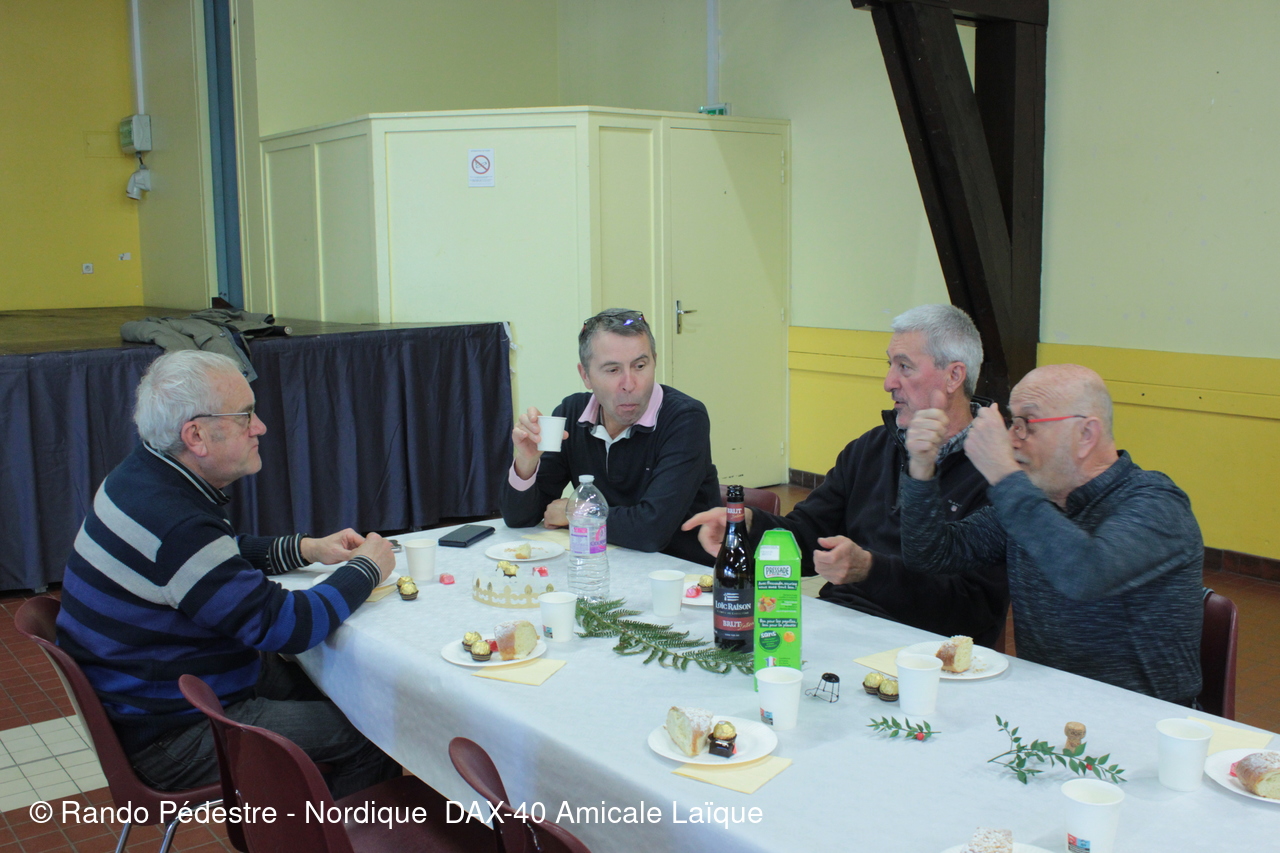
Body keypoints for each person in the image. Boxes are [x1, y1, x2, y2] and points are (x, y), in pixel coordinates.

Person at [57, 351, 401, 798]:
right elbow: (287, 626)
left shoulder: (141, 475)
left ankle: (301, 821)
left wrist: (306, 549)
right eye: (245, 416)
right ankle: (327, 831)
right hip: (171, 736)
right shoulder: (176, 522)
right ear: (196, 435)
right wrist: (367, 568)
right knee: (375, 731)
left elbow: (209, 562)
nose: (260, 427)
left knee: (344, 689)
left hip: (160, 692)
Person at [683, 304, 1008, 643]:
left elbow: (973, 610)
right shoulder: (871, 448)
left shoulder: (996, 472)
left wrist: (870, 570)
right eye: (889, 364)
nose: (888, 383)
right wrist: (747, 526)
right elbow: (809, 536)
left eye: (904, 367)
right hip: (840, 622)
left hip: (927, 648)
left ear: (954, 376)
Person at [899, 363, 1203, 703]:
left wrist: (1003, 474)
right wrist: (921, 468)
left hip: (1143, 719)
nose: (1012, 439)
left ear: (1086, 435)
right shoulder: (1034, 502)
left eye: (1027, 424)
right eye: (1012, 423)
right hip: (1048, 706)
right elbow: (930, 554)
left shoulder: (1157, 503)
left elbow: (1085, 575)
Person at [500, 308, 719, 566]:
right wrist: (526, 462)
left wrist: (576, 512)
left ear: (654, 362)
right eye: (613, 370)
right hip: (604, 564)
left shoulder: (685, 418)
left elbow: (651, 531)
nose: (629, 384)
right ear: (585, 376)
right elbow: (520, 519)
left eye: (640, 366)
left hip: (679, 571)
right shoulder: (572, 413)